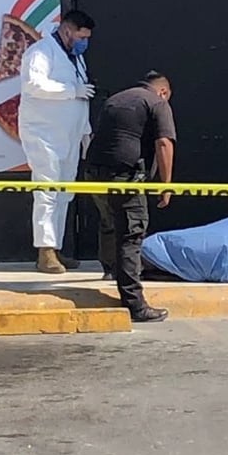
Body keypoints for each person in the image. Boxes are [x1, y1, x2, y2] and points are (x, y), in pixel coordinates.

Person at [84, 72, 176, 322]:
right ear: (163, 91)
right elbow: (164, 144)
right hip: (124, 178)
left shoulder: (115, 99)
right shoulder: (157, 103)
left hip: (93, 175)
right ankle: (135, 304)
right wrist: (166, 186)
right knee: (131, 235)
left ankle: (111, 272)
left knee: (109, 224)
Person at [18, 9, 95, 274]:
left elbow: (82, 99)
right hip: (44, 135)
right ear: (66, 31)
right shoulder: (40, 53)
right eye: (81, 36)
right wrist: (70, 91)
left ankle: (56, 247)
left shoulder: (76, 59)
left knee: (65, 193)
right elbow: (33, 85)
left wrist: (85, 131)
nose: (84, 42)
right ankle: (45, 251)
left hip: (70, 135)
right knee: (47, 190)